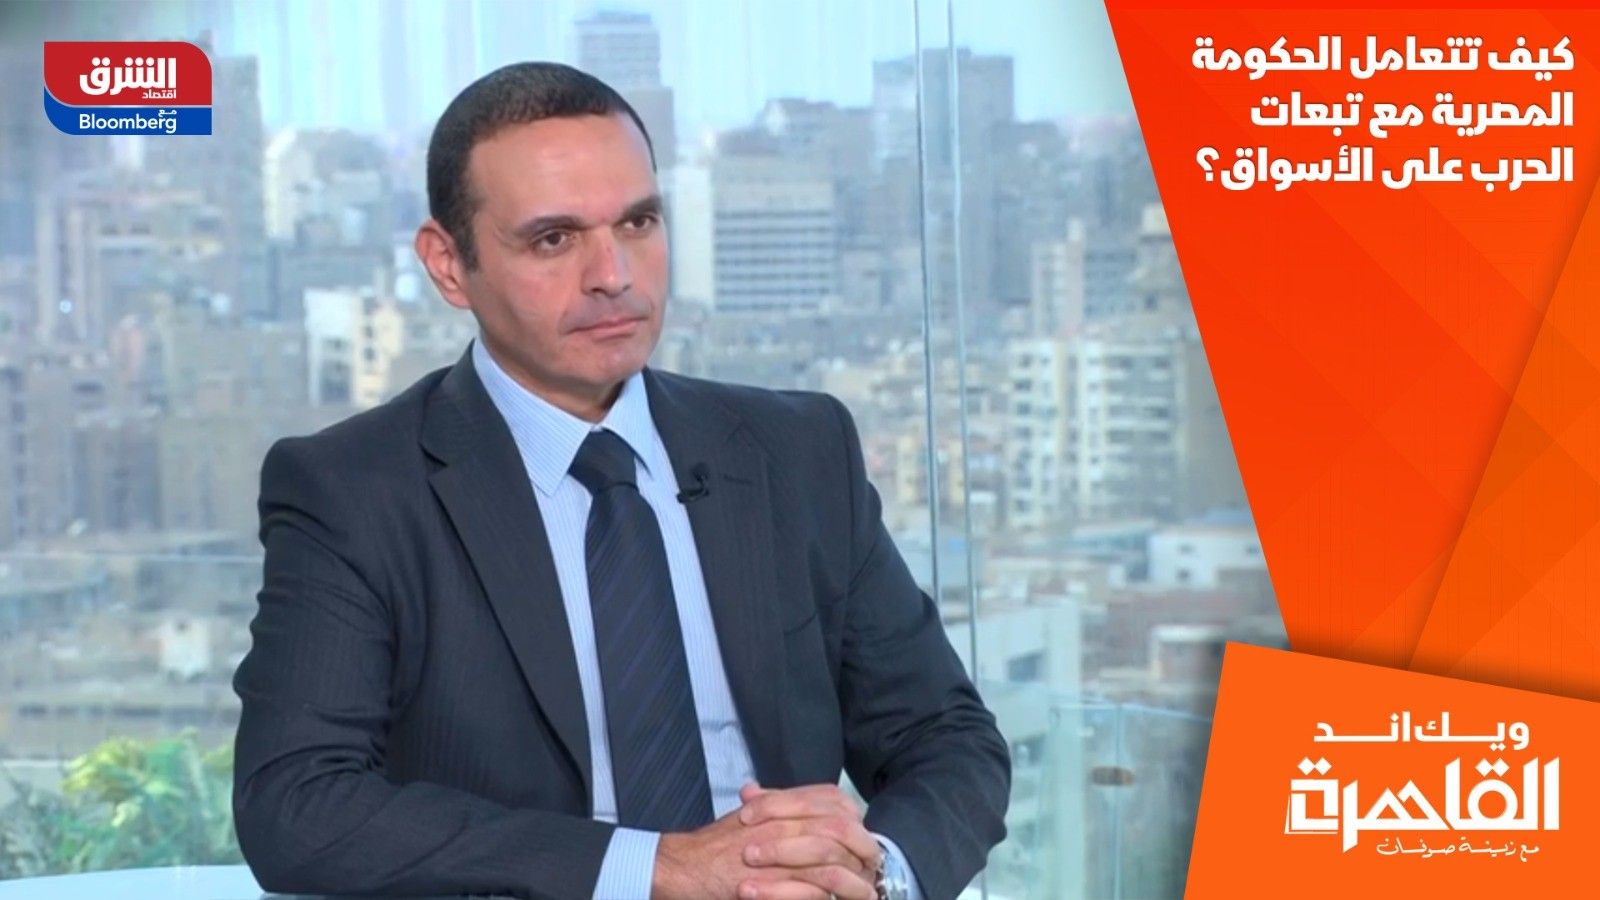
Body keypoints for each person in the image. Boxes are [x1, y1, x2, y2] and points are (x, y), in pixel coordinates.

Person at [231, 62, 1009, 900]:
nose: (613, 274)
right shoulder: (354, 491)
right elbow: (296, 806)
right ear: (449, 265)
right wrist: (659, 870)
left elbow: (948, 739)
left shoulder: (798, 451)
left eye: (638, 222)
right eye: (553, 239)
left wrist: (875, 877)